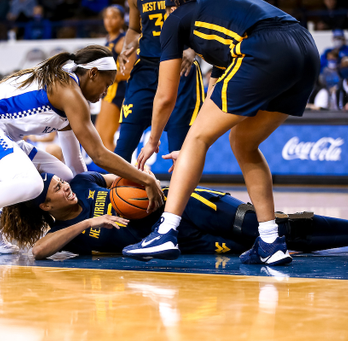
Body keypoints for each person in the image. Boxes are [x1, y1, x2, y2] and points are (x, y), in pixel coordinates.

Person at [0, 46, 164, 263]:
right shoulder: (70, 92)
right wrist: (146, 179)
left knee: (63, 174)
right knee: (30, 182)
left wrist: (93, 198)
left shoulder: (72, 95)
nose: (105, 92)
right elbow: (98, 155)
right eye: (107, 84)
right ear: (92, 73)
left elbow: (77, 168)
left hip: (4, 136)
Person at [130, 0, 323, 265]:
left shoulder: (176, 18)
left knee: (199, 138)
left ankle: (165, 232)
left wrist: (153, 140)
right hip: (306, 50)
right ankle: (270, 241)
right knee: (243, 143)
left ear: (171, 7)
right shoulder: (222, 16)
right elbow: (215, 97)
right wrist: (190, 148)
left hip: (263, 46)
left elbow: (165, 96)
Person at [0, 170, 348, 261]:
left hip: (183, 204)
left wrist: (140, 181)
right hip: (189, 242)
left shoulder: (83, 181)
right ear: (44, 206)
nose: (59, 184)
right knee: (267, 246)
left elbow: (127, 178)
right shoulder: (68, 233)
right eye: (51, 189)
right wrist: (87, 223)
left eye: (55, 180)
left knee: (269, 226)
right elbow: (37, 253)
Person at [114, 0, 205, 163]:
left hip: (180, 65)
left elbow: (204, 23)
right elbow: (135, 29)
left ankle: (181, 189)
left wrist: (193, 50)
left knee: (179, 148)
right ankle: (116, 187)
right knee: (123, 146)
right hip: (145, 69)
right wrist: (127, 48)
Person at [94, 5, 128, 151]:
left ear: (122, 20)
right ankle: (118, 172)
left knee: (106, 138)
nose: (109, 21)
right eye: (106, 17)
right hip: (107, 91)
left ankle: (121, 173)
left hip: (116, 91)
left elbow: (128, 72)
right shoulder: (109, 40)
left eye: (114, 17)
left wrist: (103, 78)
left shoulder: (123, 41)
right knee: (100, 137)